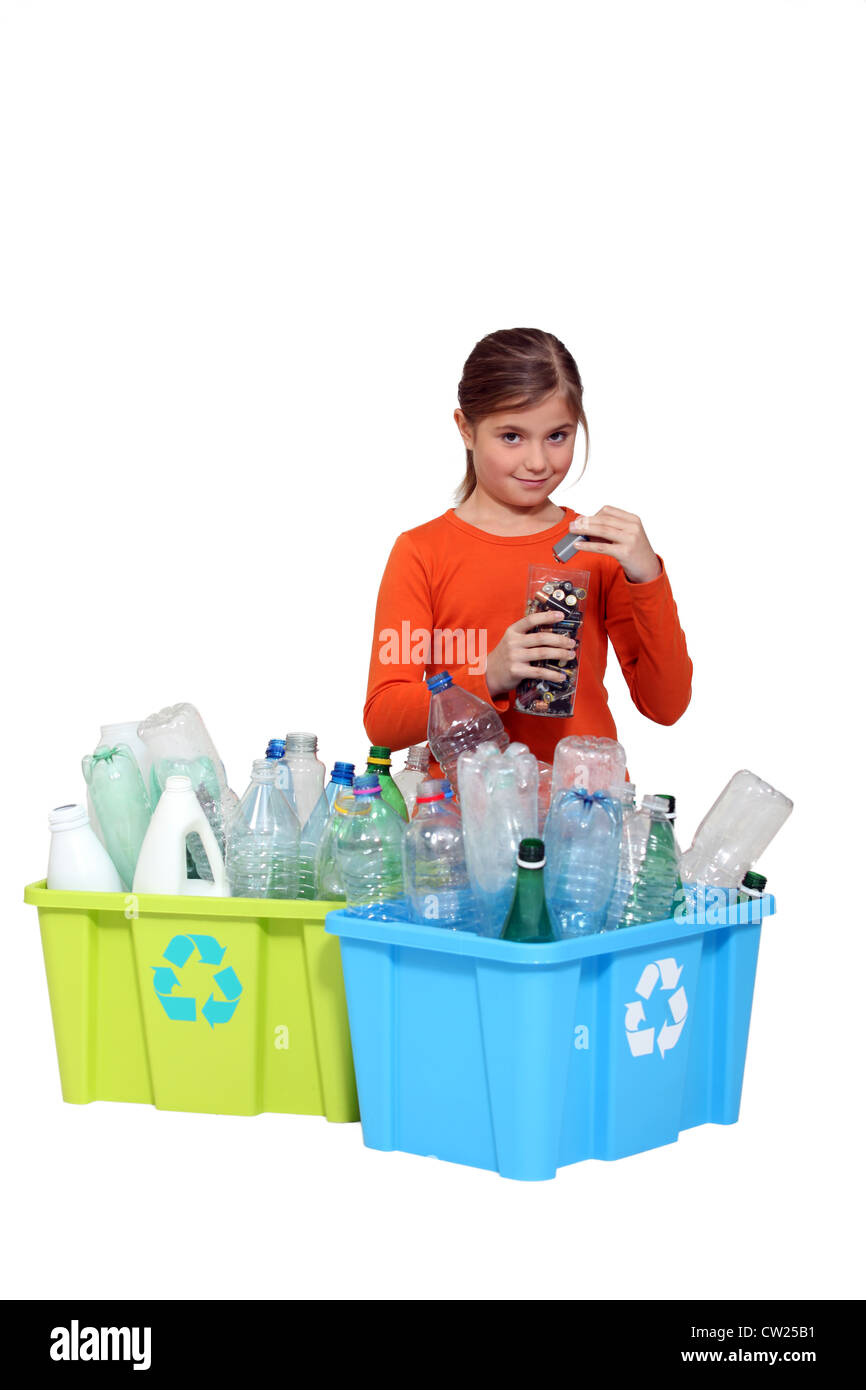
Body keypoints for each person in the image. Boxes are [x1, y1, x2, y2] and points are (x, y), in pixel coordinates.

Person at [364, 327, 692, 773]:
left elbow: (666, 705)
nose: (538, 462)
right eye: (512, 437)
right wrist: (489, 674)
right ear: (466, 429)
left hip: (584, 813)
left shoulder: (595, 548)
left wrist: (647, 576)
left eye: (557, 436)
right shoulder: (422, 552)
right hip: (461, 820)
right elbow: (383, 720)